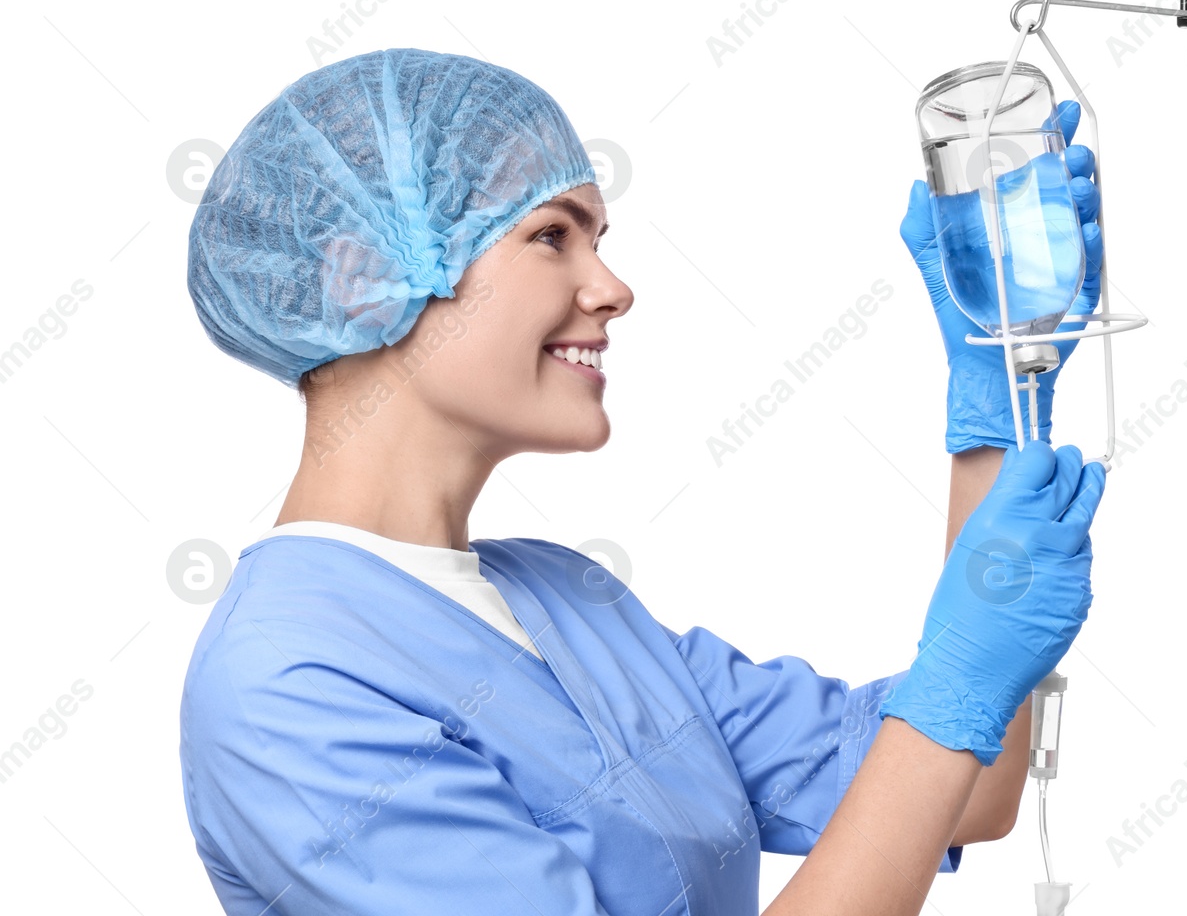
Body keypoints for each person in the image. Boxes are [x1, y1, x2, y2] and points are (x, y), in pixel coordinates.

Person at [179, 48, 1107, 916]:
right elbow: (942, 729)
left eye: (599, 239)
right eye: (552, 236)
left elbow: (961, 789)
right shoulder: (284, 688)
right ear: (359, 274)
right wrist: (956, 677)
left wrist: (998, 386)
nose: (614, 287)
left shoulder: (563, 598)